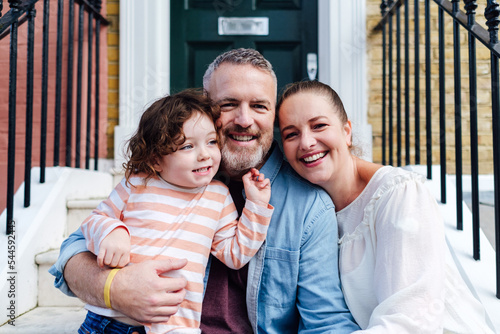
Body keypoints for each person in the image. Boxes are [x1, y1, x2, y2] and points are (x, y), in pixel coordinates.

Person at [50, 48, 360, 333]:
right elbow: (72, 253)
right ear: (206, 109)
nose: (244, 119)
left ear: (273, 116)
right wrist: (115, 288)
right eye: (228, 104)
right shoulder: (156, 179)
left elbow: (326, 321)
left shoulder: (307, 207)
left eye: (259, 106)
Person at [277, 80, 494, 333]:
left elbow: (409, 320)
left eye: (319, 126)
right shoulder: (306, 211)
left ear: (346, 131)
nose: (306, 143)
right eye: (291, 134)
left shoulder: (398, 194)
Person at [79, 89, 273, 334]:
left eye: (212, 142)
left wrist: (256, 204)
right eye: (188, 146)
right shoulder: (137, 184)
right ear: (156, 158)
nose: (204, 154)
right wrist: (112, 232)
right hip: (109, 321)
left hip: (175, 327)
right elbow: (96, 219)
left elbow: (235, 255)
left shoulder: (218, 196)